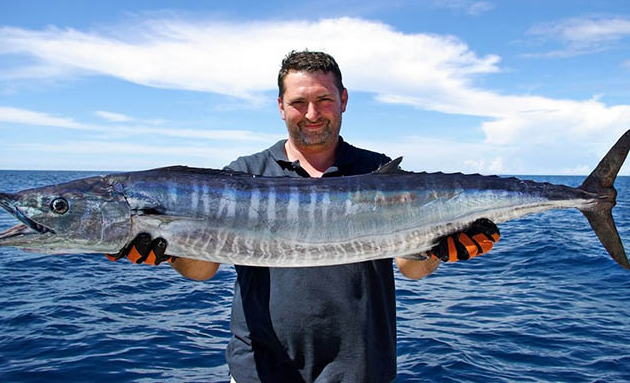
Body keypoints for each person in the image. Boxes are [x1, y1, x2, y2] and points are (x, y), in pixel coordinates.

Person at [108, 50, 500, 382]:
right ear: (281, 107)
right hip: (259, 371)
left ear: (343, 100)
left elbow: (411, 268)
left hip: (362, 370)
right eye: (298, 102)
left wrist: (442, 250)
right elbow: (203, 269)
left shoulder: (377, 172)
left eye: (324, 100)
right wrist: (171, 252)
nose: (312, 114)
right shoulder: (243, 174)